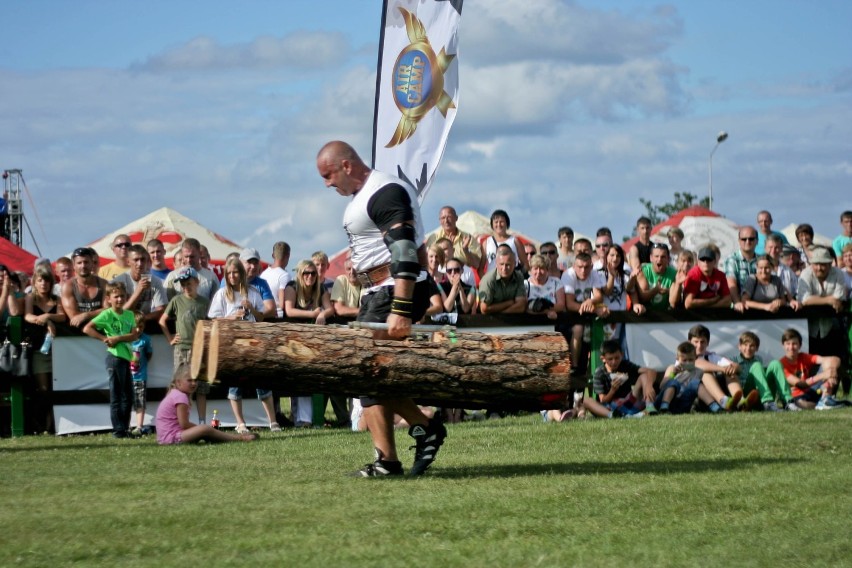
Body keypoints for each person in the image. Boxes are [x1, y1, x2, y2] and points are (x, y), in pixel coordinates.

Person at [316, 139, 446, 477]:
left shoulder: (384, 190)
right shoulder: (370, 194)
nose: (328, 184)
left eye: (329, 175)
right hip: (379, 292)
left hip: (391, 292)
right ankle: (392, 456)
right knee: (373, 378)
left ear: (346, 165)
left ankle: (416, 434)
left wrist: (401, 308)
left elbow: (405, 251)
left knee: (368, 375)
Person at [209, 257, 279, 433]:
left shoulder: (253, 292)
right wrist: (231, 317)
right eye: (229, 273)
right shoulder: (222, 294)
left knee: (262, 382)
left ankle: (273, 421)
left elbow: (262, 317)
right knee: (235, 384)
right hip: (232, 344)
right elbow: (213, 319)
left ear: (241, 273)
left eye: (235, 272)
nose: (232, 276)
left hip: (253, 342)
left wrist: (252, 308)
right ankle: (240, 423)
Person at [83, 282, 140, 438]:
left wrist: (118, 338)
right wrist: (104, 338)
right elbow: (87, 328)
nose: (120, 299)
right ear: (109, 299)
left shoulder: (129, 314)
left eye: (122, 296)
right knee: (117, 395)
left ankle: (125, 428)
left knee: (127, 396)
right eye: (116, 297)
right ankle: (118, 430)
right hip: (114, 357)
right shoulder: (107, 314)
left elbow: (135, 335)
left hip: (126, 357)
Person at [284, 259, 335, 427]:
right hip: (292, 340)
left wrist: (322, 315)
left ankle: (307, 418)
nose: (310, 276)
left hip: (313, 342)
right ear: (300, 274)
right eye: (306, 273)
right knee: (299, 378)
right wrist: (313, 314)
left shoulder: (320, 289)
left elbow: (330, 308)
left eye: (313, 273)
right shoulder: (292, 287)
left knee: (311, 377)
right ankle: (301, 419)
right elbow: (289, 311)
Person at [159, 266, 211, 424]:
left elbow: (210, 323)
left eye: (189, 283)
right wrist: (170, 339)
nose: (186, 287)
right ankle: (175, 420)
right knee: (179, 385)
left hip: (200, 350)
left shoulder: (204, 302)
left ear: (197, 282)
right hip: (181, 348)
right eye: (183, 284)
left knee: (201, 386)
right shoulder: (176, 300)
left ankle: (202, 421)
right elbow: (162, 321)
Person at [155, 364, 257, 444]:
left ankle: (215, 437)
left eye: (195, 380)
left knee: (205, 430)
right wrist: (200, 429)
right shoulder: (180, 397)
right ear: (178, 382)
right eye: (189, 380)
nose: (194, 383)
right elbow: (184, 424)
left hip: (167, 438)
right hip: (172, 438)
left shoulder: (175, 394)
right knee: (204, 428)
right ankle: (240, 438)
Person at [796, 245, 849, 392]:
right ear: (812, 264)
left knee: (835, 361)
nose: (820, 267)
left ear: (829, 263)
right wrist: (829, 301)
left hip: (832, 327)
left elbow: (840, 297)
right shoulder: (806, 274)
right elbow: (804, 299)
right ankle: (809, 393)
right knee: (810, 363)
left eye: (823, 264)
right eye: (817, 264)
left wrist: (820, 300)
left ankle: (829, 394)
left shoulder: (838, 273)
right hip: (810, 328)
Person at [23, 265, 66, 433]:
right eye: (40, 280)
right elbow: (27, 316)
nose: (43, 284)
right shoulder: (30, 298)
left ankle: (53, 425)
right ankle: (40, 424)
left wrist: (48, 316)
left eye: (47, 280)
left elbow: (62, 316)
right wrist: (44, 321)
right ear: (34, 282)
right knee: (43, 389)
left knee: (56, 388)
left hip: (59, 351)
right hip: (38, 350)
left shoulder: (57, 299)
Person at [764, 328, 842, 410]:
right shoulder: (780, 365)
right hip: (795, 397)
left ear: (800, 345)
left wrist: (831, 374)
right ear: (783, 345)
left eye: (794, 344)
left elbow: (834, 359)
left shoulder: (803, 356)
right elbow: (800, 384)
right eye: (788, 344)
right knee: (800, 403)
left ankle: (825, 398)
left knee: (829, 365)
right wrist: (823, 375)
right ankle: (822, 403)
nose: (791, 347)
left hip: (810, 391)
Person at [562, 251, 608, 376]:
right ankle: (574, 366)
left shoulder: (594, 274)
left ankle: (599, 370)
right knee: (578, 329)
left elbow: (599, 296)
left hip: (585, 313)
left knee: (602, 327)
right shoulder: (568, 275)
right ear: (574, 266)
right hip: (568, 316)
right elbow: (569, 304)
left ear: (592, 266)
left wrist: (590, 301)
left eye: (587, 267)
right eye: (580, 267)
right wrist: (593, 308)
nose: (583, 271)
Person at [591, 339, 657, 415]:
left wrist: (649, 386)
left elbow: (651, 371)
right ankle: (617, 415)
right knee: (586, 400)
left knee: (644, 376)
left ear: (622, 355)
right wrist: (613, 390)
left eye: (617, 358)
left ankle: (650, 406)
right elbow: (603, 400)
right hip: (609, 406)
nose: (614, 362)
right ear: (603, 359)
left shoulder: (625, 364)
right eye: (610, 359)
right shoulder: (599, 373)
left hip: (628, 402)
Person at [688, 324, 745, 413]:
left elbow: (737, 367)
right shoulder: (684, 356)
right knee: (706, 372)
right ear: (689, 342)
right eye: (696, 342)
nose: (699, 345)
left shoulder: (711, 356)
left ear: (708, 343)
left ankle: (741, 402)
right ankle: (723, 401)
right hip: (693, 396)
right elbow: (699, 364)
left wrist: (734, 367)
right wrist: (722, 369)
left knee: (730, 372)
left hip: (711, 394)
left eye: (702, 342)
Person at [733, 331, 791, 412]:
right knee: (757, 365)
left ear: (757, 348)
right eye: (745, 345)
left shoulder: (758, 358)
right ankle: (767, 402)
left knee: (776, 363)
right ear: (739, 346)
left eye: (752, 346)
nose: (748, 348)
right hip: (746, 397)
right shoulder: (733, 360)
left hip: (760, 395)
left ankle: (788, 401)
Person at [112, 244, 167, 323]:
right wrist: (138, 290)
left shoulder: (155, 281)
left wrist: (141, 319)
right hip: (122, 325)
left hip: (145, 324)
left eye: (143, 259)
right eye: (136, 260)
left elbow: (161, 310)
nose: (140, 263)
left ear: (147, 261)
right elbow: (119, 313)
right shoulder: (119, 282)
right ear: (128, 261)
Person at [425, 205, 483, 274]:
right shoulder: (433, 238)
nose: (446, 221)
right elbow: (427, 262)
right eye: (443, 218)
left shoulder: (467, 237)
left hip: (464, 278)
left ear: (456, 218)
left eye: (449, 217)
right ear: (440, 221)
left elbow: (477, 264)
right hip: (440, 279)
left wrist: (466, 250)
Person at [61, 247, 108, 329]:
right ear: (74, 266)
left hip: (102, 328)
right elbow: (74, 318)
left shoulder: (103, 284)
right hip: (79, 333)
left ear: (92, 264)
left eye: (86, 262)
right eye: (79, 263)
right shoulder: (68, 287)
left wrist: (86, 315)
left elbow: (108, 311)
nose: (83, 266)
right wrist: (98, 313)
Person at [655, 342, 707, 414]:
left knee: (696, 384)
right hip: (667, 400)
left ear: (696, 358)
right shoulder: (672, 368)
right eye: (684, 360)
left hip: (682, 403)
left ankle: (715, 406)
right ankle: (664, 408)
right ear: (677, 358)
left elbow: (695, 392)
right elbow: (661, 386)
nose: (688, 363)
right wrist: (673, 374)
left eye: (691, 360)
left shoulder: (699, 371)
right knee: (674, 383)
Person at [478, 245, 526, 314]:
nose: (504, 268)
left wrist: (503, 314)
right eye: (501, 264)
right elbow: (484, 309)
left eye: (508, 265)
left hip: (511, 319)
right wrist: (509, 303)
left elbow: (521, 306)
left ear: (515, 264)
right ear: (496, 264)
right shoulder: (488, 280)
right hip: (487, 321)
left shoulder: (519, 276)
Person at [483, 209, 529, 274]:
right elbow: (481, 267)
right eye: (496, 222)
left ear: (506, 223)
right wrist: (486, 282)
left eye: (502, 222)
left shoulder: (515, 241)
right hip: (493, 280)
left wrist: (518, 277)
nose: (499, 224)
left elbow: (525, 265)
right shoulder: (486, 242)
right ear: (492, 224)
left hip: (511, 280)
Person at [724, 226, 759, 313]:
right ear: (739, 241)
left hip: (760, 305)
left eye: (751, 239)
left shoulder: (762, 260)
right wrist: (737, 302)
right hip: (739, 308)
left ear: (757, 241)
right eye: (744, 239)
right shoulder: (732, 259)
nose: (748, 242)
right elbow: (731, 283)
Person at [129, 311, 152, 437]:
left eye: (141, 327)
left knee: (140, 402)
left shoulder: (146, 340)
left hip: (140, 376)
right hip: (127, 377)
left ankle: (139, 426)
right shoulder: (126, 339)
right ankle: (125, 426)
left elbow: (149, 355)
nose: (138, 330)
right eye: (135, 326)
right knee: (126, 401)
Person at [636, 242, 676, 311]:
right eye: (656, 256)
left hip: (666, 314)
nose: (659, 259)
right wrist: (656, 290)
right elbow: (642, 297)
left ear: (668, 259)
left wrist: (668, 291)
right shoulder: (643, 271)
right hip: (645, 314)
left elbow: (675, 301)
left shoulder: (674, 273)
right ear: (651, 258)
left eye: (663, 257)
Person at [239, 248, 277, 320]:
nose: (253, 266)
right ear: (240, 263)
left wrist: (253, 314)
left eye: (255, 263)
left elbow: (271, 309)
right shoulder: (228, 281)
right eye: (249, 262)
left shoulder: (262, 284)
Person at [525, 254, 565, 319]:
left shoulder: (556, 282)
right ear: (531, 270)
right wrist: (547, 311)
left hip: (552, 322)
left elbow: (561, 305)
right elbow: (525, 308)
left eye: (542, 268)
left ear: (547, 270)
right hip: (531, 322)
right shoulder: (525, 285)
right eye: (535, 268)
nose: (538, 272)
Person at [260, 241, 291, 318]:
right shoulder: (284, 275)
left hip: (263, 314)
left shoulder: (263, 274)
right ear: (288, 255)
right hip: (278, 317)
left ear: (273, 255)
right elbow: (282, 304)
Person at [765, 234, 799, 299]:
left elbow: (796, 290)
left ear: (781, 249)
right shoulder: (758, 268)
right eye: (770, 247)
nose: (773, 251)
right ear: (765, 249)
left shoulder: (788, 270)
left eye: (776, 247)